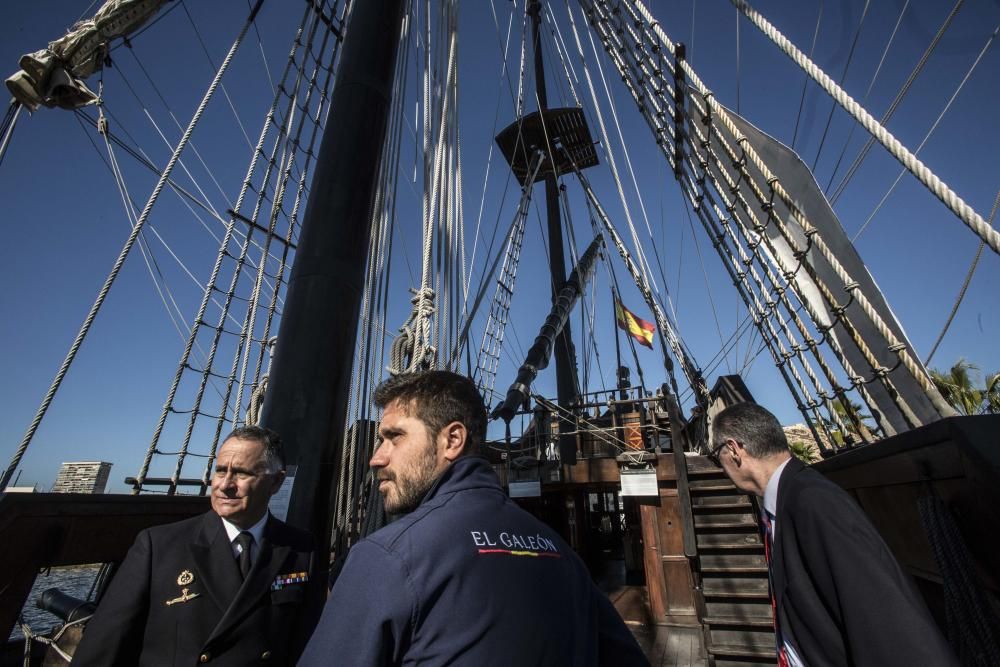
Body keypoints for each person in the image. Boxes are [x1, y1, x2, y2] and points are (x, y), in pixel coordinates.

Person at [299, 370, 648, 666]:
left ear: (452, 439)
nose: (376, 458)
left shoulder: (386, 557)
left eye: (394, 437)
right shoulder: (562, 552)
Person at [709, 402, 957, 666]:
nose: (720, 465)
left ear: (735, 450)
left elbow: (887, 622)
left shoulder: (814, 503)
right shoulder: (788, 504)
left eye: (717, 455)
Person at [72, 426, 323, 666]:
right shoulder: (159, 547)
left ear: (276, 482)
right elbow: (103, 648)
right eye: (220, 471)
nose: (225, 484)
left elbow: (309, 644)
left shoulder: (301, 550)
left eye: (242, 473)